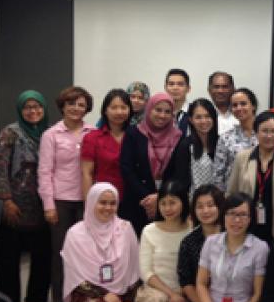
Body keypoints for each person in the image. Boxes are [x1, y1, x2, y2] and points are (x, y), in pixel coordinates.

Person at [61, 183, 141, 302]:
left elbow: (135, 268)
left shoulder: (126, 228)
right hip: (88, 292)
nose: (108, 208)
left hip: (124, 291)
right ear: (91, 203)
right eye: (102, 202)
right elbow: (76, 276)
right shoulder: (75, 234)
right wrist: (103, 294)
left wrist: (129, 300)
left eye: (113, 203)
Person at [39, 86, 96, 302]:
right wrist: (48, 205)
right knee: (61, 251)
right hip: (61, 201)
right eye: (71, 103)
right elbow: (44, 172)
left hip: (87, 201)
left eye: (81, 105)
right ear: (62, 106)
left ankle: (84, 297)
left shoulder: (93, 132)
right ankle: (61, 300)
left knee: (86, 251)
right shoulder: (51, 135)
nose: (76, 108)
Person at [0, 90, 51, 302]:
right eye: (28, 107)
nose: (33, 111)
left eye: (37, 107)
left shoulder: (49, 133)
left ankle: (36, 298)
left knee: (42, 253)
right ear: (20, 109)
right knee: (8, 256)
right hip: (15, 204)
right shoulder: (10, 133)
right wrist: (6, 200)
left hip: (41, 202)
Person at [135, 180, 193, 302]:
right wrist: (170, 293)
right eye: (163, 203)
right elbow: (145, 271)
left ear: (183, 202)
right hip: (156, 288)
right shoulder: (149, 231)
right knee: (156, 300)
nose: (168, 208)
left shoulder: (192, 230)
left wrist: (181, 292)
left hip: (185, 289)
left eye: (173, 202)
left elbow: (195, 269)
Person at [227, 111, 274, 243]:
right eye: (264, 131)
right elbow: (232, 192)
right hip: (246, 225)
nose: (269, 136)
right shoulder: (242, 158)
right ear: (256, 132)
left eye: (273, 131)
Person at [120, 92, 182, 235]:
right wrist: (149, 198)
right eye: (158, 110)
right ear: (149, 109)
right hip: (136, 200)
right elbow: (126, 168)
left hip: (168, 202)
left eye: (167, 111)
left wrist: (160, 197)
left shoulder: (178, 136)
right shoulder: (133, 133)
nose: (162, 115)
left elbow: (178, 171)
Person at [81, 89, 131, 199]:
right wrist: (89, 203)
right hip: (103, 198)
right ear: (105, 110)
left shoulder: (136, 136)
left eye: (123, 107)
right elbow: (87, 173)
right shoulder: (92, 137)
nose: (119, 112)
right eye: (114, 107)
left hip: (131, 198)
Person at [165, 98, 219, 194]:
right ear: (191, 120)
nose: (203, 121)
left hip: (219, 202)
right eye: (198, 117)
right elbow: (181, 181)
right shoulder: (185, 146)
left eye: (207, 116)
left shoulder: (221, 143)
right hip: (194, 202)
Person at [214, 88, 259, 191]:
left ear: (253, 106)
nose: (239, 108)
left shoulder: (266, 134)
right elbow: (218, 173)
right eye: (234, 105)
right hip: (234, 195)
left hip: (260, 193)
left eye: (243, 104)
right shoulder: (225, 138)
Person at [165, 68, 191, 134]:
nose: (175, 88)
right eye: (171, 84)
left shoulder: (194, 112)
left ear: (188, 88)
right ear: (165, 87)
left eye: (180, 84)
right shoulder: (160, 113)